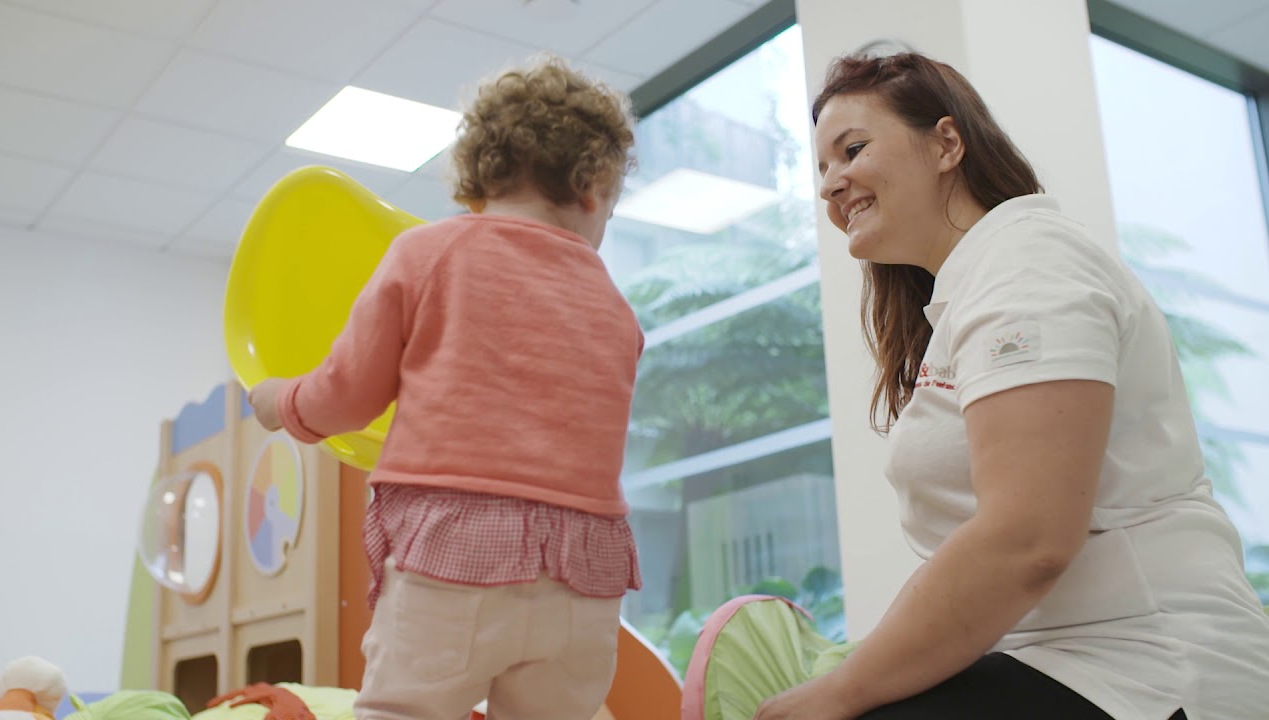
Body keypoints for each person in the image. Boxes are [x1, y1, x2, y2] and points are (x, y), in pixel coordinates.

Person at [754, 50, 1269, 720]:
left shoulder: (1030, 264)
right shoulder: (968, 294)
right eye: (821, 170)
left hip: (1149, 666)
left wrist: (842, 690)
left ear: (946, 143)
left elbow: (1027, 539)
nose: (830, 185)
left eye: (851, 150)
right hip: (1059, 658)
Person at [247, 54, 643, 720]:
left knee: (407, 710)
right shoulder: (615, 304)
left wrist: (280, 402)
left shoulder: (427, 254)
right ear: (592, 186)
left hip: (457, 558)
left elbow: (348, 396)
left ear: (479, 173)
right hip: (584, 573)